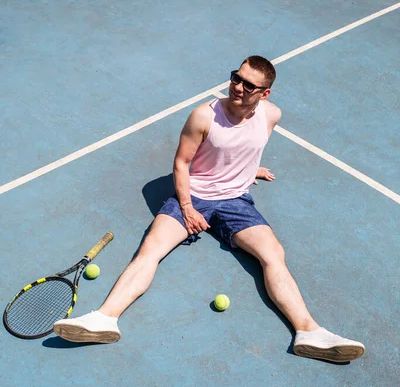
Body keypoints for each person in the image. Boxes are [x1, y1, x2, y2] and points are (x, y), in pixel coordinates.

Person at [54, 56, 365, 362]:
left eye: (248, 84)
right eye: (236, 77)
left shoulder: (271, 115)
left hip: (235, 201)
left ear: (264, 93)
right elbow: (182, 162)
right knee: (151, 249)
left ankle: (308, 332)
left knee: (273, 255)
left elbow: (249, 143)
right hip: (194, 195)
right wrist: (187, 207)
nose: (238, 87)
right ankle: (104, 319)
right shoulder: (203, 116)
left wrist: (246, 170)